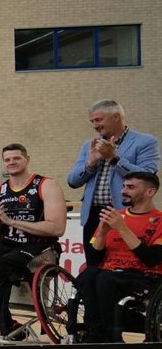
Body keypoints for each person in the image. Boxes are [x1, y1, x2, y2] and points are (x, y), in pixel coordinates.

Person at [0, 144, 67, 339]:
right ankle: (7, 322)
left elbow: (57, 228)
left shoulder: (46, 185)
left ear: (27, 160)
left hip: (39, 247)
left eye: (16, 158)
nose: (11, 162)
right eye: (7, 159)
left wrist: (12, 221)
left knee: (0, 264)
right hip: (8, 244)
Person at [67, 100, 160, 266]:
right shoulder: (89, 145)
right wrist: (91, 163)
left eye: (98, 120)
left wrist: (113, 158)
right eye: (92, 121)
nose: (95, 125)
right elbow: (72, 181)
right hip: (94, 215)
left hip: (127, 214)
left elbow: (148, 177)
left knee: (125, 261)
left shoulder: (146, 142)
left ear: (116, 117)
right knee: (93, 264)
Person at [74, 172, 162, 343]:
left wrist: (122, 228)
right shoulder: (115, 216)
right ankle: (93, 333)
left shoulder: (159, 221)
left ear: (150, 192)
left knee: (105, 279)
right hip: (110, 274)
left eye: (130, 187)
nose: (123, 191)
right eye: (123, 186)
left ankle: (110, 337)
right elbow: (94, 258)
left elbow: (151, 259)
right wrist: (102, 233)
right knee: (89, 274)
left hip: (144, 276)